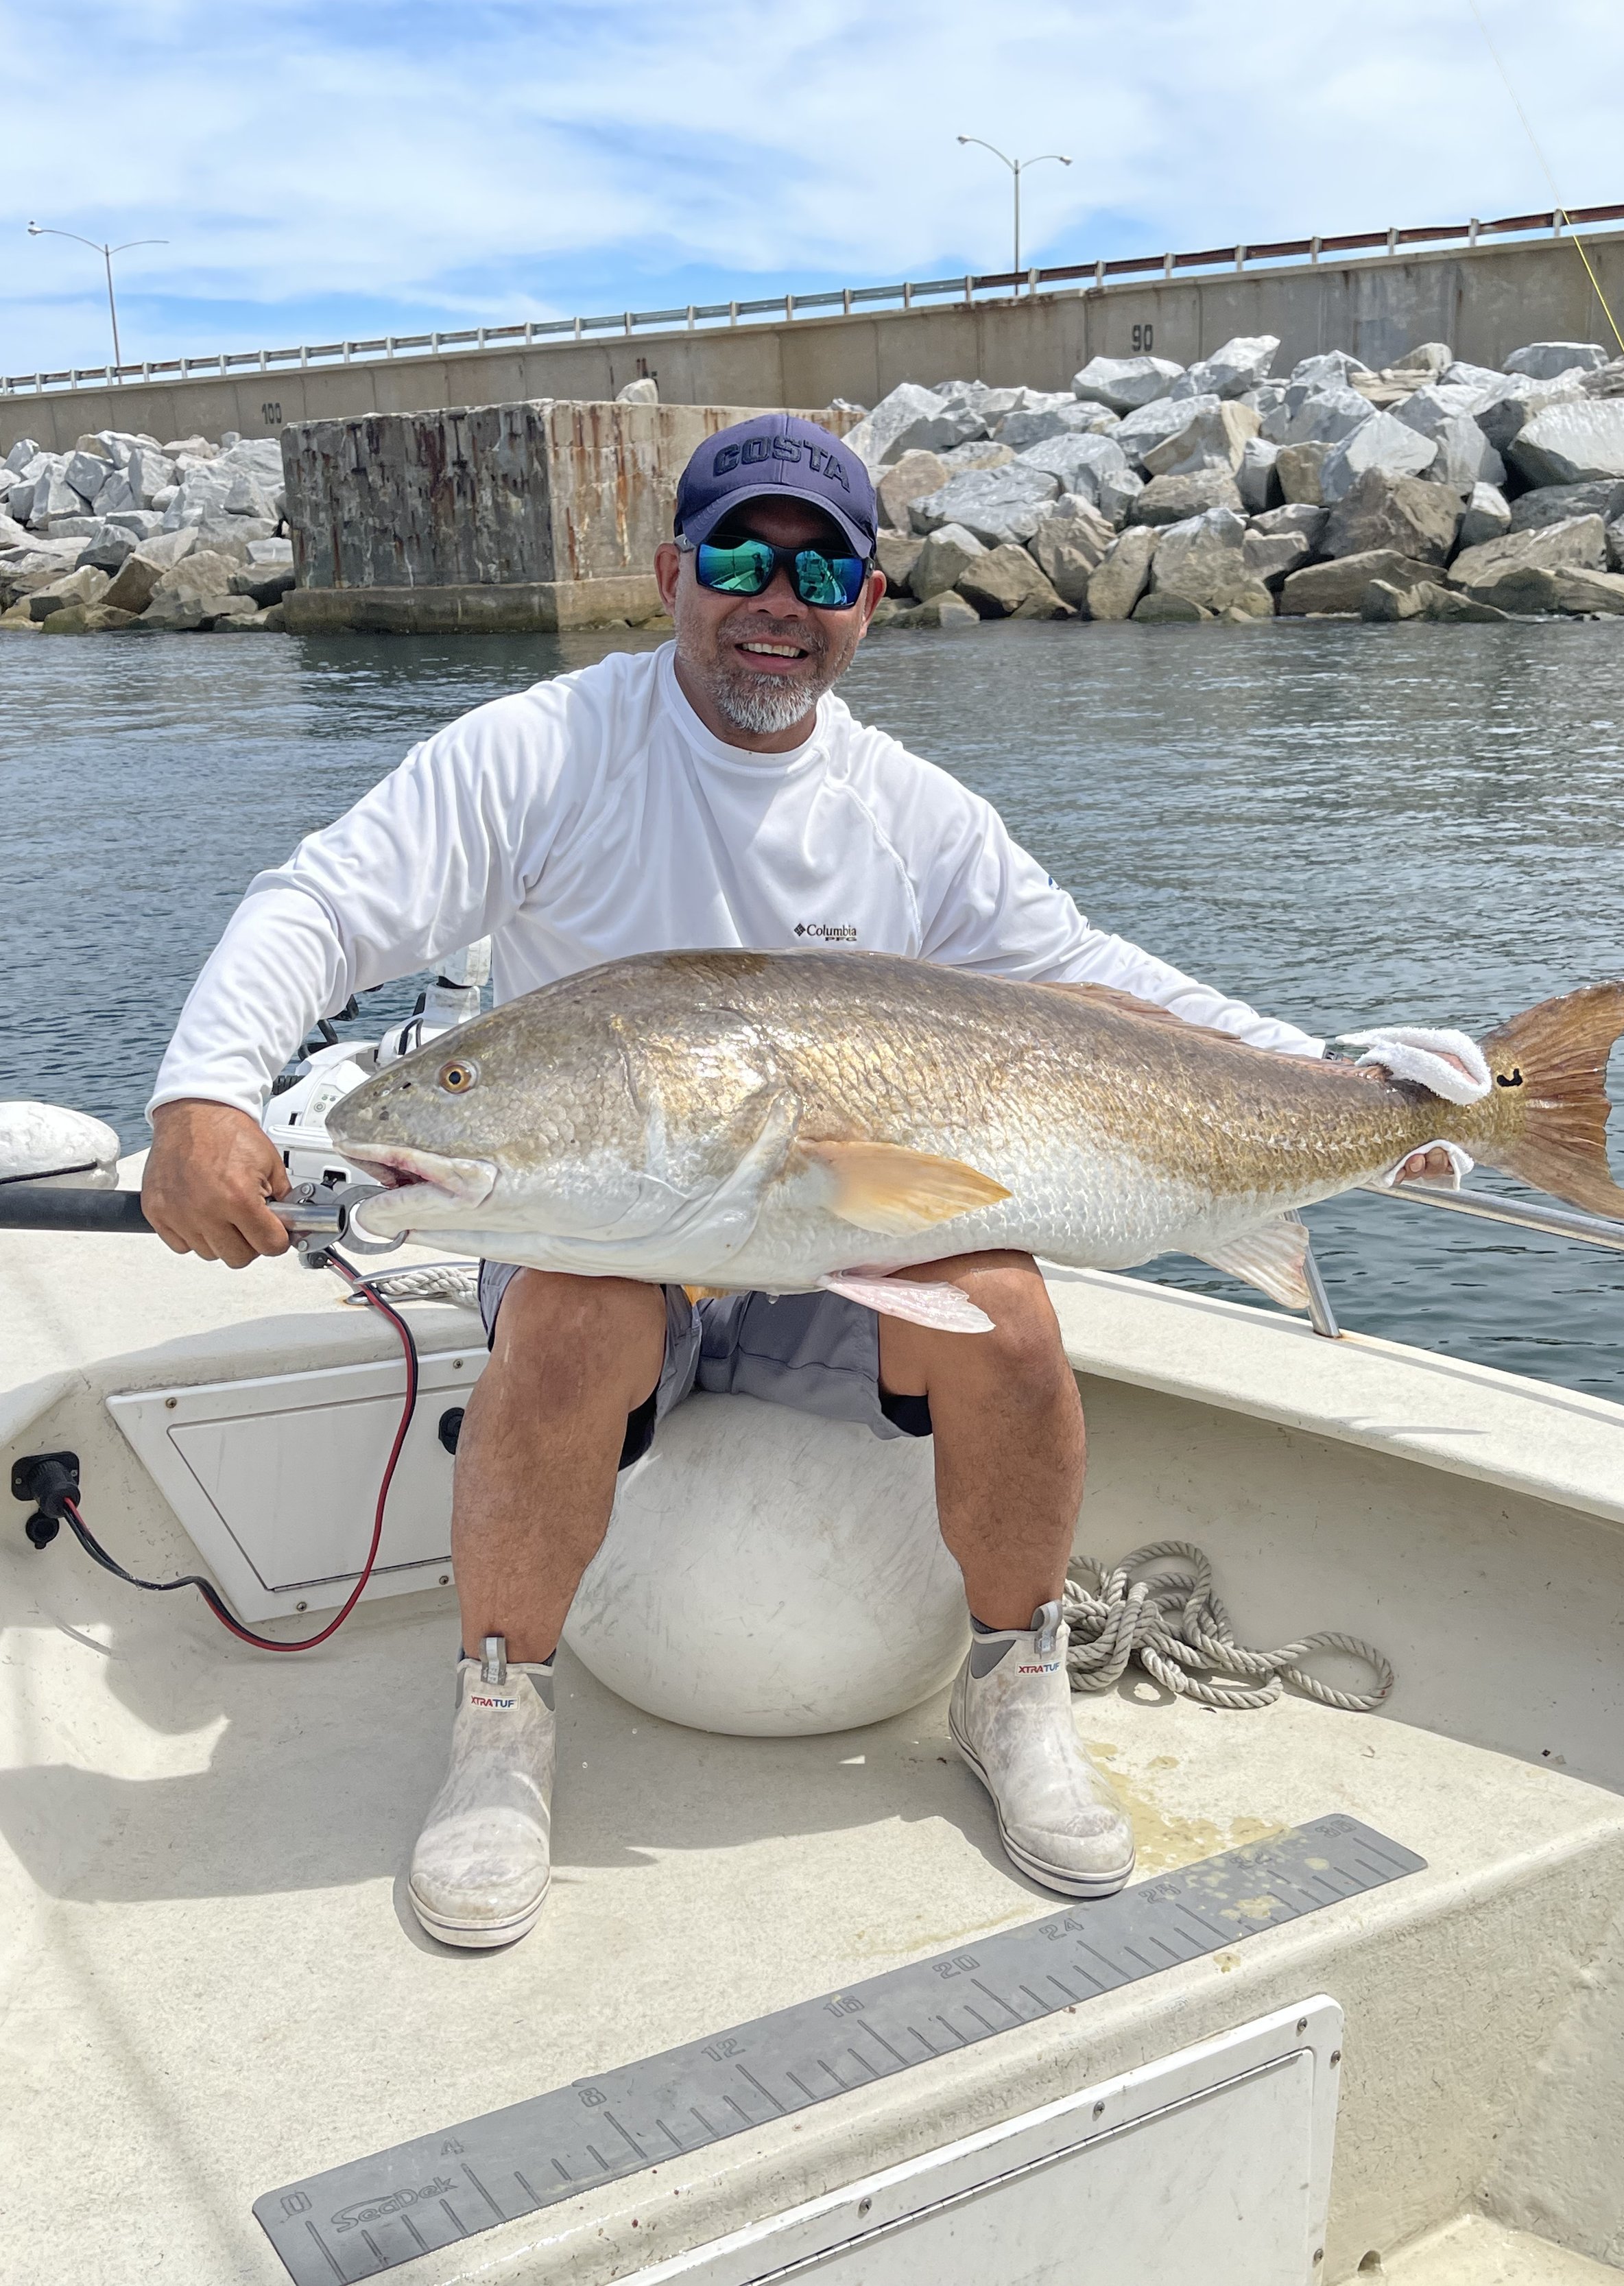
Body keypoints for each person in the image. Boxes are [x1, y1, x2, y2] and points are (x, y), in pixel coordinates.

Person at [143, 412, 1447, 1949]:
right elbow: (326, 902)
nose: (778, 596)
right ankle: (500, 1723)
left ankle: (1012, 1687)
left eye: (819, 565)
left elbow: (1092, 983)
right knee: (568, 1320)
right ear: (670, 574)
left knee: (1007, 1319)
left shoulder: (912, 816)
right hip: (616, 1223)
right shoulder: (546, 749)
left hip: (829, 1233)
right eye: (740, 556)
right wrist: (204, 1086)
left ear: (869, 600)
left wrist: (1351, 1081)